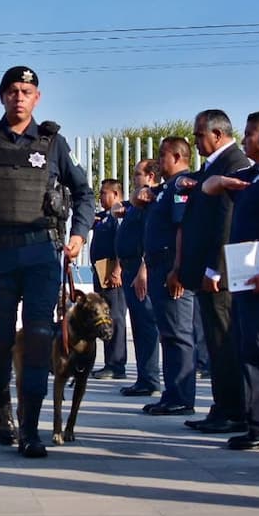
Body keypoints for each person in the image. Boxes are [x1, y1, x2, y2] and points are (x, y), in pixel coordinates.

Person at [0, 65, 94, 458]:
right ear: (2, 96)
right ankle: (2, 401)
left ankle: (30, 429)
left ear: (37, 97)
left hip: (42, 254)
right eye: (12, 90)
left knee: (37, 339)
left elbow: (84, 192)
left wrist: (79, 234)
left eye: (26, 91)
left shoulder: (54, 142)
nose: (19, 96)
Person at [200, 111, 259, 450]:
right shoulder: (253, 173)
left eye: (252, 134)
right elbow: (209, 188)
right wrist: (222, 182)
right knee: (248, 346)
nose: (246, 140)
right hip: (245, 275)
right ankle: (256, 421)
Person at [177, 110, 250, 434]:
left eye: (199, 135)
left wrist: (215, 269)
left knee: (224, 344)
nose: (195, 141)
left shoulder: (233, 164)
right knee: (216, 343)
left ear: (217, 135)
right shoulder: (212, 167)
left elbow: (226, 221)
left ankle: (233, 409)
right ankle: (223, 405)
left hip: (218, 274)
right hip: (204, 272)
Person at [139, 138, 197, 416]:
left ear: (176, 156)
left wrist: (178, 269)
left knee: (178, 334)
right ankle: (172, 392)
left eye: (162, 157)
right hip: (158, 266)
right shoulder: (165, 188)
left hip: (169, 268)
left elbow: (182, 227)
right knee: (169, 334)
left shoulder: (181, 185)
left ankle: (181, 397)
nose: (158, 163)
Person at [113, 159, 161, 397]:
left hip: (140, 270)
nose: (133, 179)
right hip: (130, 268)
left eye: (137, 175)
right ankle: (144, 377)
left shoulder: (148, 202)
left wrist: (143, 270)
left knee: (146, 325)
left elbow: (149, 238)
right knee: (139, 326)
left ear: (150, 176)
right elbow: (117, 207)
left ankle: (150, 379)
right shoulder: (136, 201)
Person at [89, 179, 128, 380]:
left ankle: (117, 364)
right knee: (104, 317)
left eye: (104, 193)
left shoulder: (119, 214)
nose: (101, 197)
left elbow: (122, 243)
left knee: (115, 317)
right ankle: (109, 363)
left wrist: (118, 270)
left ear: (115, 194)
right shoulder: (105, 216)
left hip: (112, 272)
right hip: (100, 271)